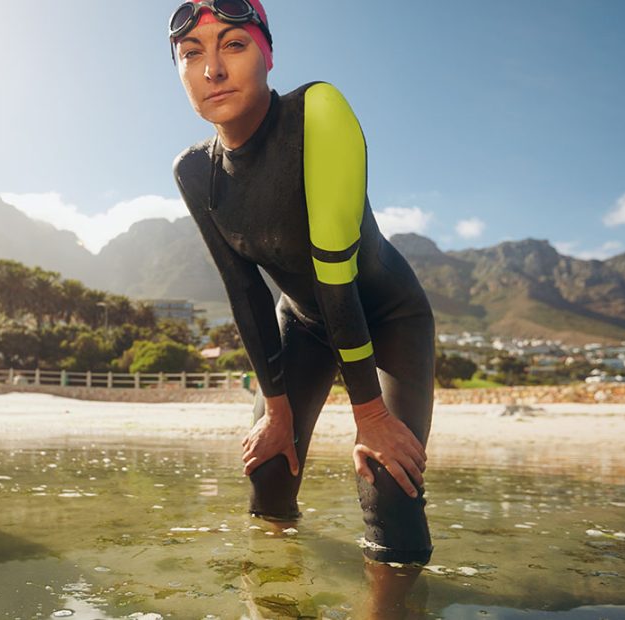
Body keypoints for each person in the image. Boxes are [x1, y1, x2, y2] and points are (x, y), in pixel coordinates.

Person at [170, 0, 435, 564]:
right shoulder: (195, 171)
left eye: (234, 45)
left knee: (390, 483)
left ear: (267, 55)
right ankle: (276, 594)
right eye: (192, 54)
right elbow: (245, 292)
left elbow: (334, 272)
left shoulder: (318, 111)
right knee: (268, 470)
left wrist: (371, 416)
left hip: (387, 317)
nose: (212, 70)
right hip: (306, 323)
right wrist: (276, 410)